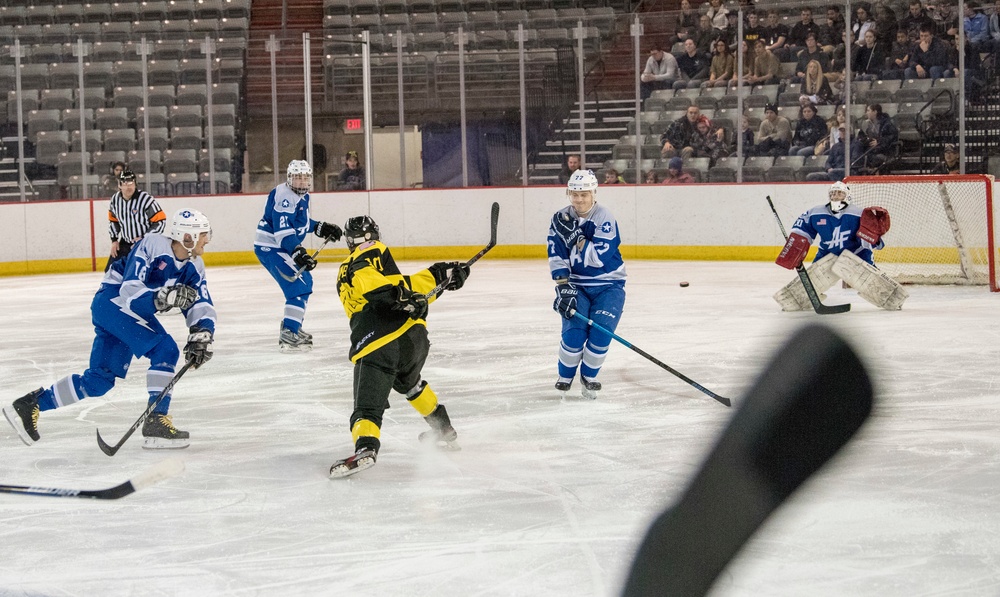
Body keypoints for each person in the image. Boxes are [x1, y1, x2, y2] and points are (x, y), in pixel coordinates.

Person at [3, 209, 216, 449]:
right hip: (114, 302)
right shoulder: (152, 245)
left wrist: (202, 331)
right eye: (202, 234)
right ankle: (156, 422)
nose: (207, 239)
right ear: (187, 237)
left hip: (119, 311)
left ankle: (29, 405)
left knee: (99, 381)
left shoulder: (194, 266)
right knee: (165, 350)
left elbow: (201, 302)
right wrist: (162, 297)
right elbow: (129, 290)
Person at [327, 215, 470, 478]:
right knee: (411, 384)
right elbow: (404, 287)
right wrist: (442, 276)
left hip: (378, 342)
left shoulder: (358, 258)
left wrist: (436, 278)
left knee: (367, 408)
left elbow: (376, 283)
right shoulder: (372, 257)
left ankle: (366, 448)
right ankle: (443, 429)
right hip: (413, 340)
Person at [547, 170, 626, 399]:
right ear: (568, 193)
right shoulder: (560, 218)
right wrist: (562, 286)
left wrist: (577, 238)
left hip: (609, 285)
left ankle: (589, 376)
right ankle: (565, 375)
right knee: (574, 334)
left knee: (601, 333)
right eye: (574, 194)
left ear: (594, 193)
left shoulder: (605, 218)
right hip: (577, 285)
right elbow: (556, 254)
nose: (579, 200)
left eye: (584, 194)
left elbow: (598, 258)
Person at [773, 181, 908, 311]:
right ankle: (799, 301)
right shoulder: (815, 212)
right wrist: (795, 248)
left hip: (857, 253)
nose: (835, 196)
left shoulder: (859, 213)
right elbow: (802, 230)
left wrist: (876, 240)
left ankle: (893, 299)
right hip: (827, 253)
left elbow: (870, 240)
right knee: (812, 281)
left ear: (847, 196)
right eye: (833, 193)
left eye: (839, 193)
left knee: (872, 281)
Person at [254, 160, 343, 352]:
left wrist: (320, 227)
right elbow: (283, 232)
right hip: (271, 247)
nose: (302, 182)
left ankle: (293, 327)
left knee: (304, 283)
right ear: (289, 178)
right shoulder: (284, 196)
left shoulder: (303, 196)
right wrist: (298, 253)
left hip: (280, 247)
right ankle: (289, 332)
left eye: (305, 178)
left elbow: (300, 222)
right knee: (299, 284)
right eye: (297, 178)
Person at [105, 168, 166, 272]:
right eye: (124, 183)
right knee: (111, 271)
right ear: (119, 185)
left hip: (146, 245)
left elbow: (160, 221)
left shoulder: (146, 199)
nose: (128, 186)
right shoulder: (115, 200)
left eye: (131, 182)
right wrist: (114, 240)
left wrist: (145, 237)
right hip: (125, 243)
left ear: (135, 184)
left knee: (152, 271)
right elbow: (113, 220)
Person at [858, 103, 900, 172]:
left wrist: (879, 142)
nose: (866, 113)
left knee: (870, 158)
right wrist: (866, 140)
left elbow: (892, 137)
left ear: (875, 112)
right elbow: (861, 137)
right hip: (870, 150)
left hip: (884, 151)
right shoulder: (866, 124)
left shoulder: (887, 124)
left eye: (868, 110)